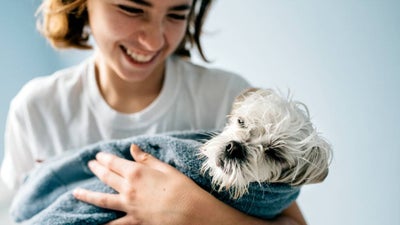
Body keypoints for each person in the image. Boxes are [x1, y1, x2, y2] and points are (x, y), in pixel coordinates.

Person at [1, 0, 307, 224]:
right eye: (132, 9)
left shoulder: (228, 99)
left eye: (176, 14)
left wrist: (193, 212)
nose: (154, 40)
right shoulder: (36, 109)